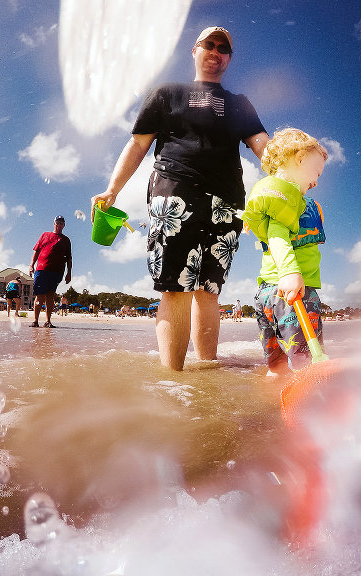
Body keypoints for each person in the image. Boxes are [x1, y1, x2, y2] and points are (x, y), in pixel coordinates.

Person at [90, 26, 268, 371]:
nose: (215, 51)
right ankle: (173, 382)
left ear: (229, 59)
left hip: (228, 200)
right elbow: (139, 144)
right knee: (175, 287)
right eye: (209, 45)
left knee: (210, 289)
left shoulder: (239, 104)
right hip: (175, 192)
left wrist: (292, 172)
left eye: (223, 48)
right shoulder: (167, 93)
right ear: (195, 50)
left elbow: (262, 144)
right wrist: (113, 190)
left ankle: (205, 376)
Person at [242, 128, 328, 376]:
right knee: (308, 367)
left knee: (276, 367)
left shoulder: (285, 199)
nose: (317, 181)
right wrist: (291, 273)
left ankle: (270, 409)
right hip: (292, 293)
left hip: (267, 292)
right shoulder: (285, 199)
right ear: (300, 159)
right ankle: (308, 410)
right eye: (317, 171)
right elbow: (278, 237)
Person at [29, 215, 72, 328]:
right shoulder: (45, 235)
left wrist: (69, 273)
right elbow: (36, 250)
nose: (59, 224)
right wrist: (31, 265)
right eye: (57, 222)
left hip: (57, 271)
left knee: (50, 296)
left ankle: (48, 321)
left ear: (64, 225)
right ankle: (35, 321)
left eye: (61, 223)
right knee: (39, 296)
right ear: (54, 223)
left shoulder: (66, 240)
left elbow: (69, 258)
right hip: (42, 269)